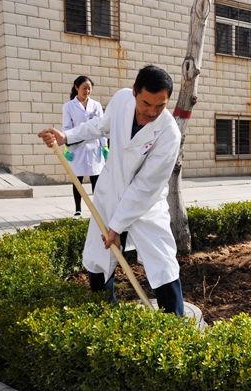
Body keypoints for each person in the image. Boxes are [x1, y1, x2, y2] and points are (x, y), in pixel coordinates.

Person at [37, 65, 184, 316]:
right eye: (146, 103)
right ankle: (105, 314)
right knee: (98, 256)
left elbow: (145, 186)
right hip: (109, 191)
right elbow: (100, 126)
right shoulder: (121, 100)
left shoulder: (169, 133)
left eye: (160, 106)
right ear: (135, 92)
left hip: (145, 205)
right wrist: (66, 136)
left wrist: (117, 226)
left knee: (162, 263)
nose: (152, 112)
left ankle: (175, 324)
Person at [62, 75, 106, 219]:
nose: (87, 91)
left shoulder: (96, 105)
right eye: (84, 88)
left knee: (96, 180)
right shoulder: (68, 106)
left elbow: (102, 127)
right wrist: (67, 147)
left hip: (94, 148)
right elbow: (67, 127)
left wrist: (105, 147)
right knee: (77, 180)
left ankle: (98, 209)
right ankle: (78, 210)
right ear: (76, 88)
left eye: (89, 88)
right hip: (77, 148)